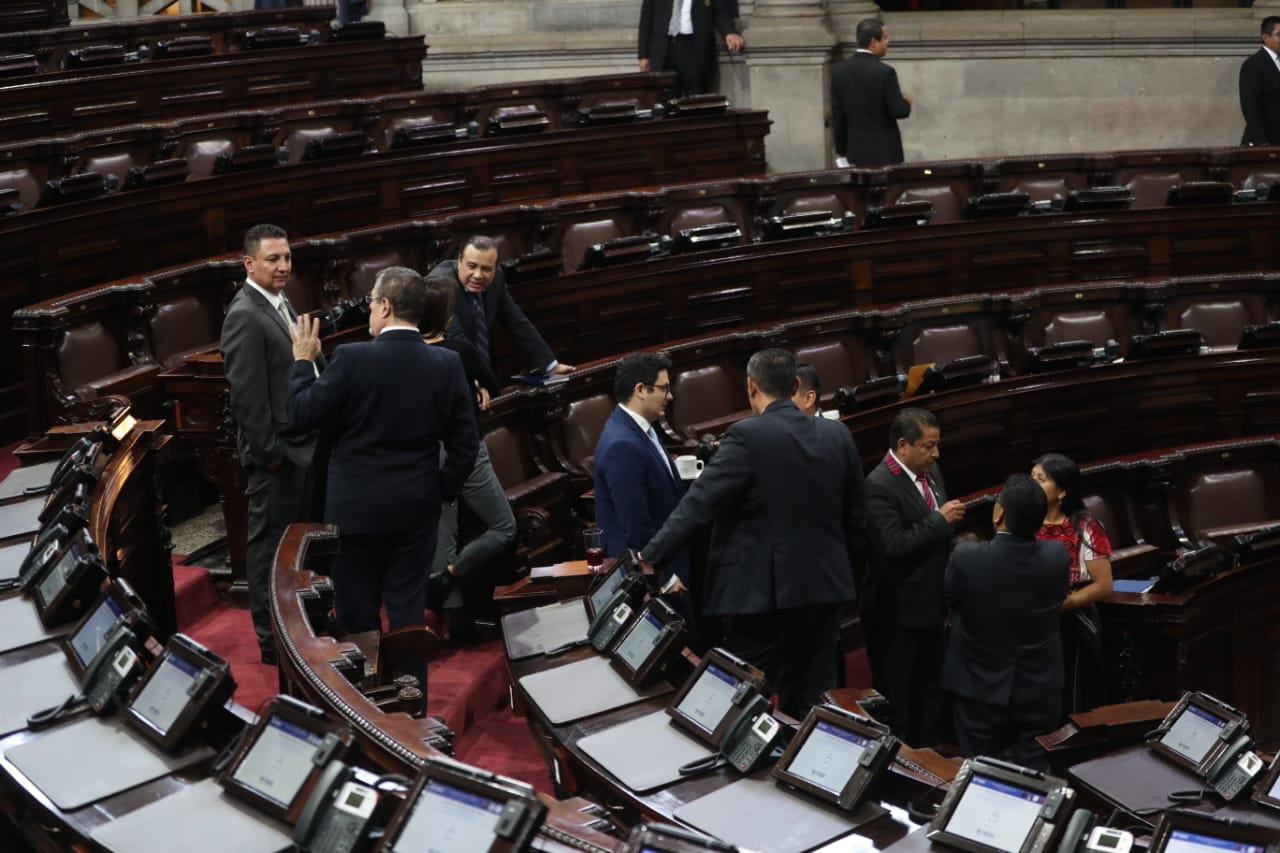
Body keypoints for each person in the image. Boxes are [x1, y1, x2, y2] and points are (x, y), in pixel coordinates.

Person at [640, 348, 867, 717]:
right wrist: (846, 575)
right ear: (795, 384)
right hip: (826, 587)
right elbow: (858, 519)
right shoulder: (837, 434)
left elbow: (697, 507)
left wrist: (648, 556)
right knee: (813, 699)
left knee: (737, 693)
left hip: (767, 596)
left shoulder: (746, 435)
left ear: (750, 386)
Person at [286, 267, 478, 680]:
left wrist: (302, 362)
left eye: (372, 302)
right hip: (416, 509)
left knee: (357, 618)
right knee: (409, 617)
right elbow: (466, 444)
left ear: (386, 306)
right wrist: (440, 491)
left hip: (355, 514)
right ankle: (412, 713)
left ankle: (366, 713)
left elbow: (299, 414)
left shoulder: (352, 358)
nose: (370, 310)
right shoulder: (447, 363)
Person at [220, 223, 323, 666]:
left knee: (303, 544)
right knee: (269, 548)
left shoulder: (279, 301)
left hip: (305, 445)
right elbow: (247, 396)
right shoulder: (244, 314)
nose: (283, 267)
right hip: (280, 455)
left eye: (287, 258)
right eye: (273, 259)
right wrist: (271, 456)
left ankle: (304, 625)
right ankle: (269, 640)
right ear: (249, 263)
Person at [941, 474, 1069, 772]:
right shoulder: (1057, 556)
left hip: (979, 689)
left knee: (981, 774)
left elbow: (948, 600)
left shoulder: (966, 557)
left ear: (999, 514)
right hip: (1040, 690)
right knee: (1036, 778)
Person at [420, 274, 515, 644]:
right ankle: (450, 577)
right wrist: (476, 386)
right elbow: (493, 384)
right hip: (465, 449)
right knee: (503, 528)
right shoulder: (460, 351)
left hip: (427, 452)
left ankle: (449, 623)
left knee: (443, 536)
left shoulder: (405, 353)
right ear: (446, 317)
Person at [863, 407, 964, 747]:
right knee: (899, 695)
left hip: (932, 605)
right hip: (897, 614)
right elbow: (893, 544)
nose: (936, 454)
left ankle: (929, 752)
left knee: (931, 688)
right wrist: (940, 521)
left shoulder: (930, 473)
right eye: (928, 446)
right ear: (903, 445)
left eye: (937, 445)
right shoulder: (878, 485)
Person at [593, 352, 693, 620]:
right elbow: (636, 524)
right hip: (652, 580)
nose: (669, 397)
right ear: (640, 390)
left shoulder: (639, 430)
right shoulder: (622, 444)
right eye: (664, 389)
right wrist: (665, 577)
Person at [1031, 453, 1113, 716]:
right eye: (1031, 478)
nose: (1032, 485)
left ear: (1063, 491)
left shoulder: (1085, 526)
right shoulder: (1023, 523)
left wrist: (1066, 604)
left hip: (1072, 621)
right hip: (1032, 622)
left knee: (1072, 696)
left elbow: (1103, 585)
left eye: (1041, 479)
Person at [430, 236, 575, 377]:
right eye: (472, 266)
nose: (478, 275)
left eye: (486, 269)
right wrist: (479, 381)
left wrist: (549, 364)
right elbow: (456, 340)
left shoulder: (497, 278)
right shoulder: (441, 285)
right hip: (445, 375)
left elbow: (516, 322)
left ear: (495, 268)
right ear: (460, 260)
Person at [830, 19, 912, 168]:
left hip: (855, 154)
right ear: (874, 42)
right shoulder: (885, 72)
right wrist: (906, 102)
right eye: (885, 38)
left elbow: (838, 118)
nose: (888, 42)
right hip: (885, 155)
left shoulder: (839, 72)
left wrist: (841, 152)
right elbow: (899, 111)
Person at [637, 0, 744, 98]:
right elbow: (646, 20)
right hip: (664, 51)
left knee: (696, 99)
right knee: (666, 101)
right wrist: (643, 55)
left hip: (693, 49)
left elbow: (720, 12)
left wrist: (730, 32)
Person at [1239, 17, 1280, 147]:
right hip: (1264, 142)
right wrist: (1262, 141)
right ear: (1265, 37)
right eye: (1279, 35)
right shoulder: (1253, 65)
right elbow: (1250, 107)